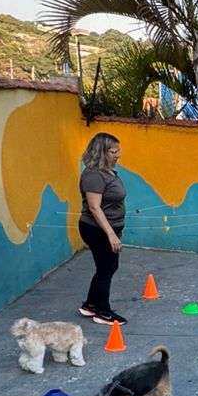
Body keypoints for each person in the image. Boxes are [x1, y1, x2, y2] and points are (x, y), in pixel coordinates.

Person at [78, 132, 128, 326]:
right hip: (97, 229)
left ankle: (91, 304)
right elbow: (94, 208)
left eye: (118, 150)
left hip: (108, 228)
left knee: (105, 267)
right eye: (113, 151)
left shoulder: (106, 172)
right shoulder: (93, 175)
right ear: (101, 152)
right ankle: (103, 312)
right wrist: (111, 235)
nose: (118, 154)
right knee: (107, 268)